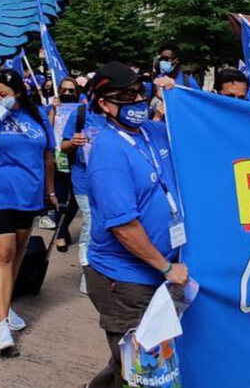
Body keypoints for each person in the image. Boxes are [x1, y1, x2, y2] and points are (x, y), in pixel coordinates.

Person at [83, 62, 190, 388]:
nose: (136, 101)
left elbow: (191, 127)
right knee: (144, 369)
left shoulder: (151, 133)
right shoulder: (108, 153)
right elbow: (124, 227)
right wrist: (166, 268)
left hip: (158, 272)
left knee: (135, 357)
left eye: (139, 93)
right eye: (125, 96)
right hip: (126, 280)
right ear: (104, 104)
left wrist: (176, 96)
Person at [0, 69, 57, 355]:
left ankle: (3, 306)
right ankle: (2, 324)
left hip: (29, 194)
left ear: (18, 92)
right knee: (3, 253)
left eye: (3, 94)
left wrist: (51, 191)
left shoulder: (38, 115)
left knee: (18, 251)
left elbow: (48, 156)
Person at [60, 77, 105, 295]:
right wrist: (73, 142)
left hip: (109, 182)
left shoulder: (114, 115)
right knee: (90, 223)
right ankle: (87, 272)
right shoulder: (79, 114)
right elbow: (63, 146)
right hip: (83, 181)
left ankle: (104, 269)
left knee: (106, 225)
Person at [51, 77, 82, 253]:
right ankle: (61, 233)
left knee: (77, 199)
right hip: (58, 156)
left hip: (77, 157)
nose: (67, 93)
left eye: (71, 90)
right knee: (60, 198)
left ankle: (63, 225)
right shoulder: (52, 107)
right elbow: (48, 128)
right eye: (64, 90)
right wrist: (53, 110)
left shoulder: (82, 110)